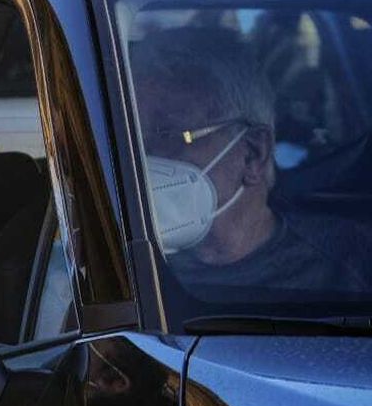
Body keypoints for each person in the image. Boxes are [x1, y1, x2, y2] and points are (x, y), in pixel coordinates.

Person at [131, 28, 372, 294]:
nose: (144, 158)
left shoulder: (351, 269)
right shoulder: (123, 272)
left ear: (253, 154)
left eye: (168, 135)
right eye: (132, 138)